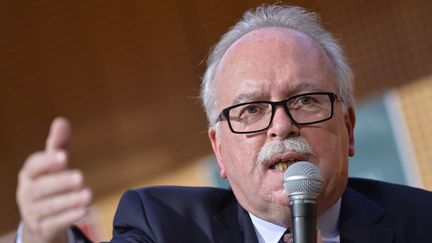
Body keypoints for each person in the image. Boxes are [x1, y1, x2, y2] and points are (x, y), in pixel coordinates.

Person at [15, 4, 432, 243]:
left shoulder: (423, 224)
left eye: (304, 100)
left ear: (349, 128)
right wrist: (39, 237)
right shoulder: (165, 229)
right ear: (219, 149)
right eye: (250, 110)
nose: (281, 125)